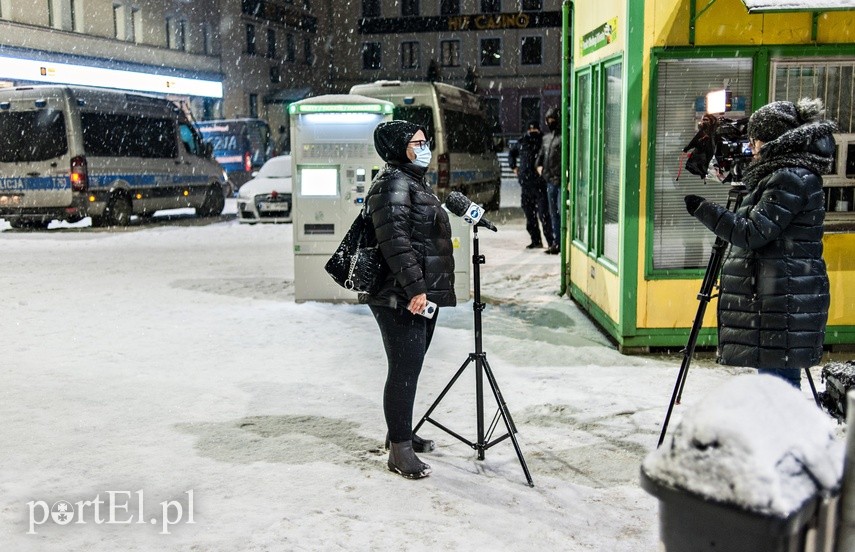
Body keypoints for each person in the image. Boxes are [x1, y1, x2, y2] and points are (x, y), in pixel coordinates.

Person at [684, 98, 835, 388]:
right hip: (782, 292)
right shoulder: (784, 173)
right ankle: (781, 430)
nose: (751, 149)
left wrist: (705, 210)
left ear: (771, 142)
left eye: (754, 142)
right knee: (776, 383)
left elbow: (751, 232)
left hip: (784, 295)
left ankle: (785, 433)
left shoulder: (789, 178)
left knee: (778, 389)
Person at [362, 120, 457, 479]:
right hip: (399, 295)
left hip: (416, 291)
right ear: (398, 147)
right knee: (404, 369)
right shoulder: (393, 184)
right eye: (417, 142)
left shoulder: (410, 180)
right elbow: (395, 243)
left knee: (410, 367)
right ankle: (399, 451)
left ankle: (399, 432)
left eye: (424, 141)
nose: (424, 147)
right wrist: (415, 289)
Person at [509, 121, 554, 250]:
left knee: (544, 214)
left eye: (535, 130)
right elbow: (511, 153)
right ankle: (536, 240)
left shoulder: (544, 141)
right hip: (526, 184)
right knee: (530, 214)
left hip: (540, 184)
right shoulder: (523, 141)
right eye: (531, 130)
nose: (533, 132)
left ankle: (551, 242)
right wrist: (514, 167)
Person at [537, 108, 562, 254]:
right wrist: (539, 167)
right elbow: (540, 156)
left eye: (552, 119)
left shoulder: (564, 137)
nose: (550, 122)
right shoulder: (546, 139)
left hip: (560, 180)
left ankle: (561, 241)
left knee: (559, 211)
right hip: (550, 180)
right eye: (548, 119)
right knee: (553, 213)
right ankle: (556, 242)